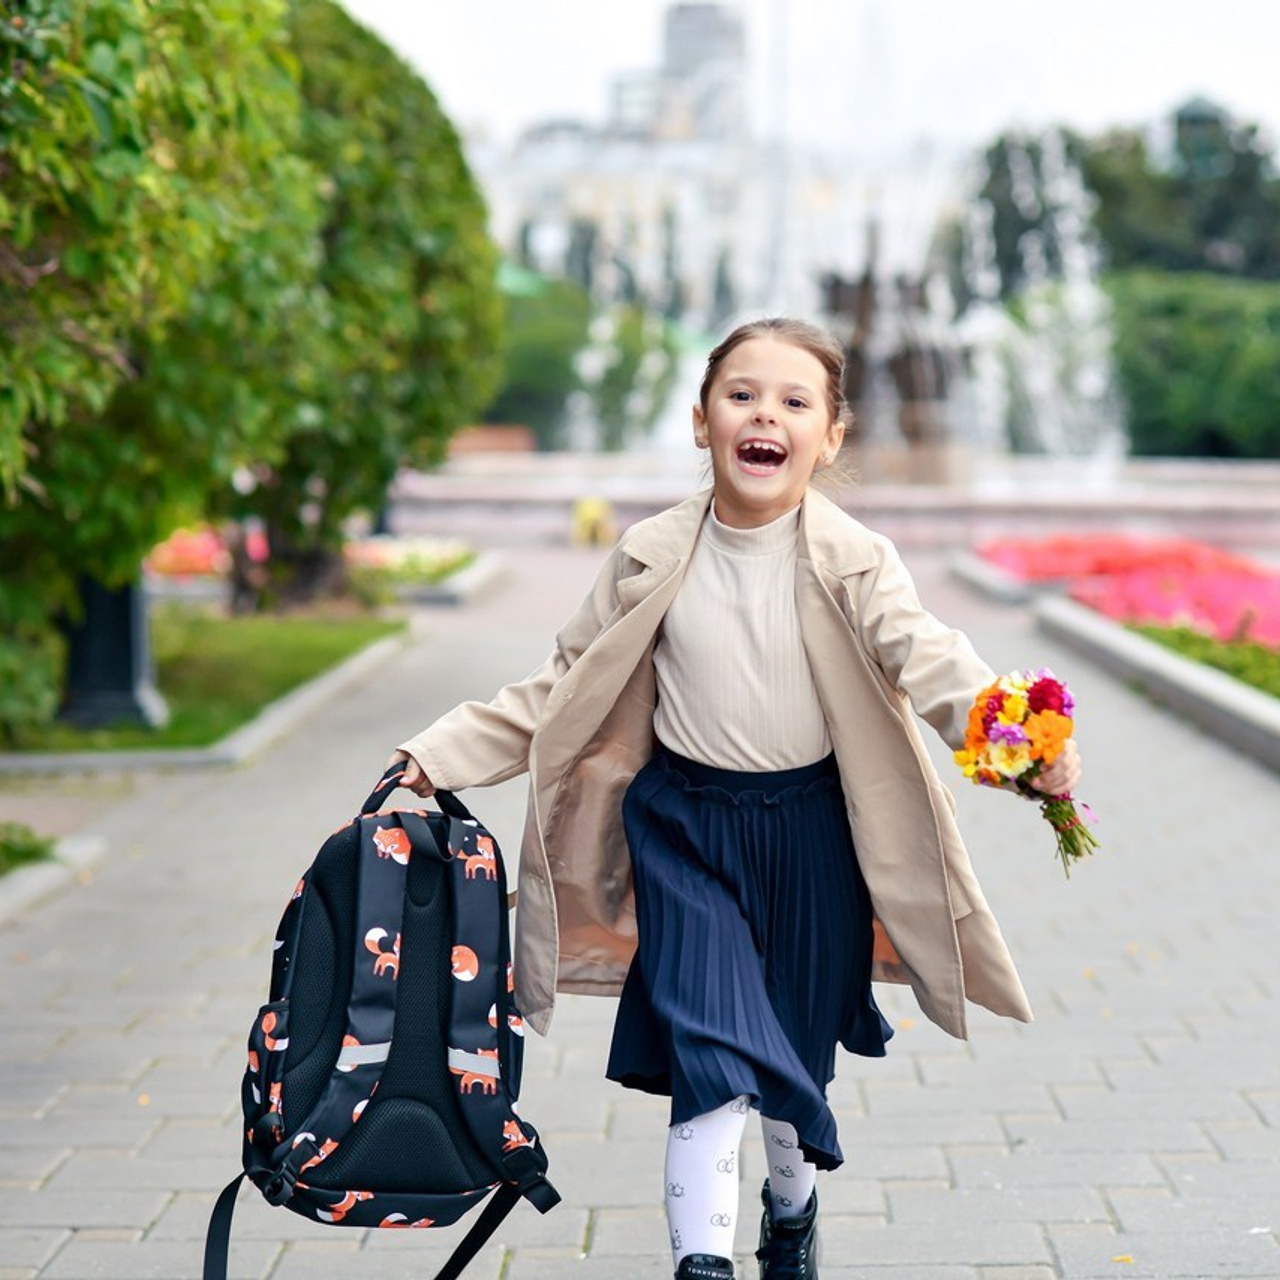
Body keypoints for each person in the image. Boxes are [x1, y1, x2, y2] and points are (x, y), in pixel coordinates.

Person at [389, 317, 1082, 1279]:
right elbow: (560, 689)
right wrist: (432, 757)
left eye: (796, 402)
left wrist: (1016, 744)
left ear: (830, 437)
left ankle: (790, 1213)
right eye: (742, 394)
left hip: (813, 844)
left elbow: (932, 661)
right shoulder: (650, 556)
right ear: (702, 420)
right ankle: (701, 1266)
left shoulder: (856, 562)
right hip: (684, 837)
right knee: (713, 1066)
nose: (767, 415)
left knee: (788, 1075)